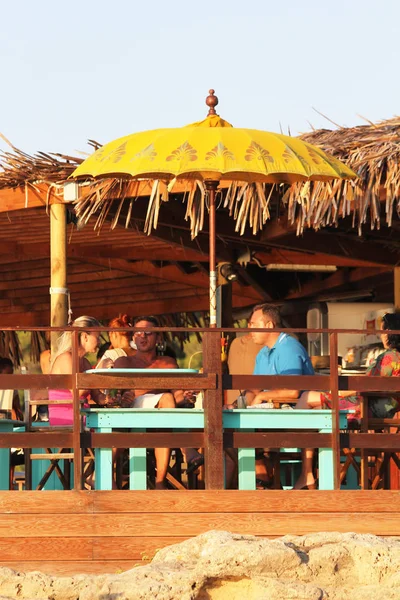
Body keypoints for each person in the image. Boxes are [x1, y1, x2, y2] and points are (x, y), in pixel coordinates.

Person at [294, 312, 400, 490]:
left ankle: (303, 467)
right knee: (316, 407)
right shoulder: (395, 357)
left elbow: (367, 386)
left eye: (382, 331)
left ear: (390, 332)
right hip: (375, 407)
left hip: (365, 408)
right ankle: (310, 473)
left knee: (307, 398)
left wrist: (339, 392)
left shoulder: (390, 357)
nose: (381, 335)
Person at [245, 303, 315, 489]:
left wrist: (261, 397)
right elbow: (254, 389)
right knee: (225, 425)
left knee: (236, 432)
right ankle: (261, 477)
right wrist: (243, 401)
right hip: (273, 415)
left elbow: (293, 392)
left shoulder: (288, 348)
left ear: (269, 326)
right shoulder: (262, 354)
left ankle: (262, 480)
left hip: (295, 415)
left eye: (253, 324)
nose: (249, 329)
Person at [114, 315, 188, 489]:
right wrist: (122, 397)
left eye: (148, 332)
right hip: (129, 415)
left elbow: (177, 394)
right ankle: (183, 456)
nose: (143, 336)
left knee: (170, 405)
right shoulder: (124, 361)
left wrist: (186, 396)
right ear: (133, 337)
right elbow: (114, 393)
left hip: (160, 417)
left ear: (158, 338)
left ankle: (160, 480)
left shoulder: (168, 363)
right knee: (167, 400)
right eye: (138, 332)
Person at [48, 315, 107, 426]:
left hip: (82, 415)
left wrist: (109, 399)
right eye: (97, 337)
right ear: (85, 337)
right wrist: (98, 370)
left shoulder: (86, 363)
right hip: (65, 418)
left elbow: (97, 396)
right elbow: (78, 392)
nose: (99, 342)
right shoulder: (66, 358)